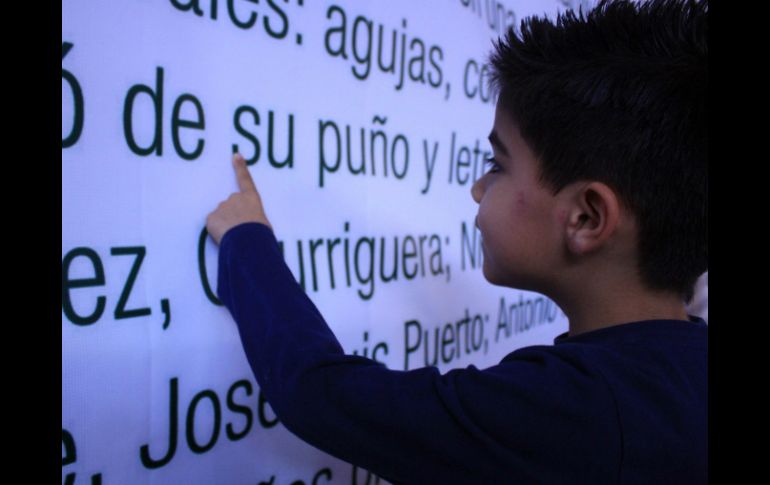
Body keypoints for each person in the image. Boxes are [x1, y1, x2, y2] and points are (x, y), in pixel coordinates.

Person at [205, 0, 707, 482]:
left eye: (498, 166)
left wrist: (247, 242)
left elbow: (320, 396)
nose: (477, 188)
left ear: (584, 216)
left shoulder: (579, 411)